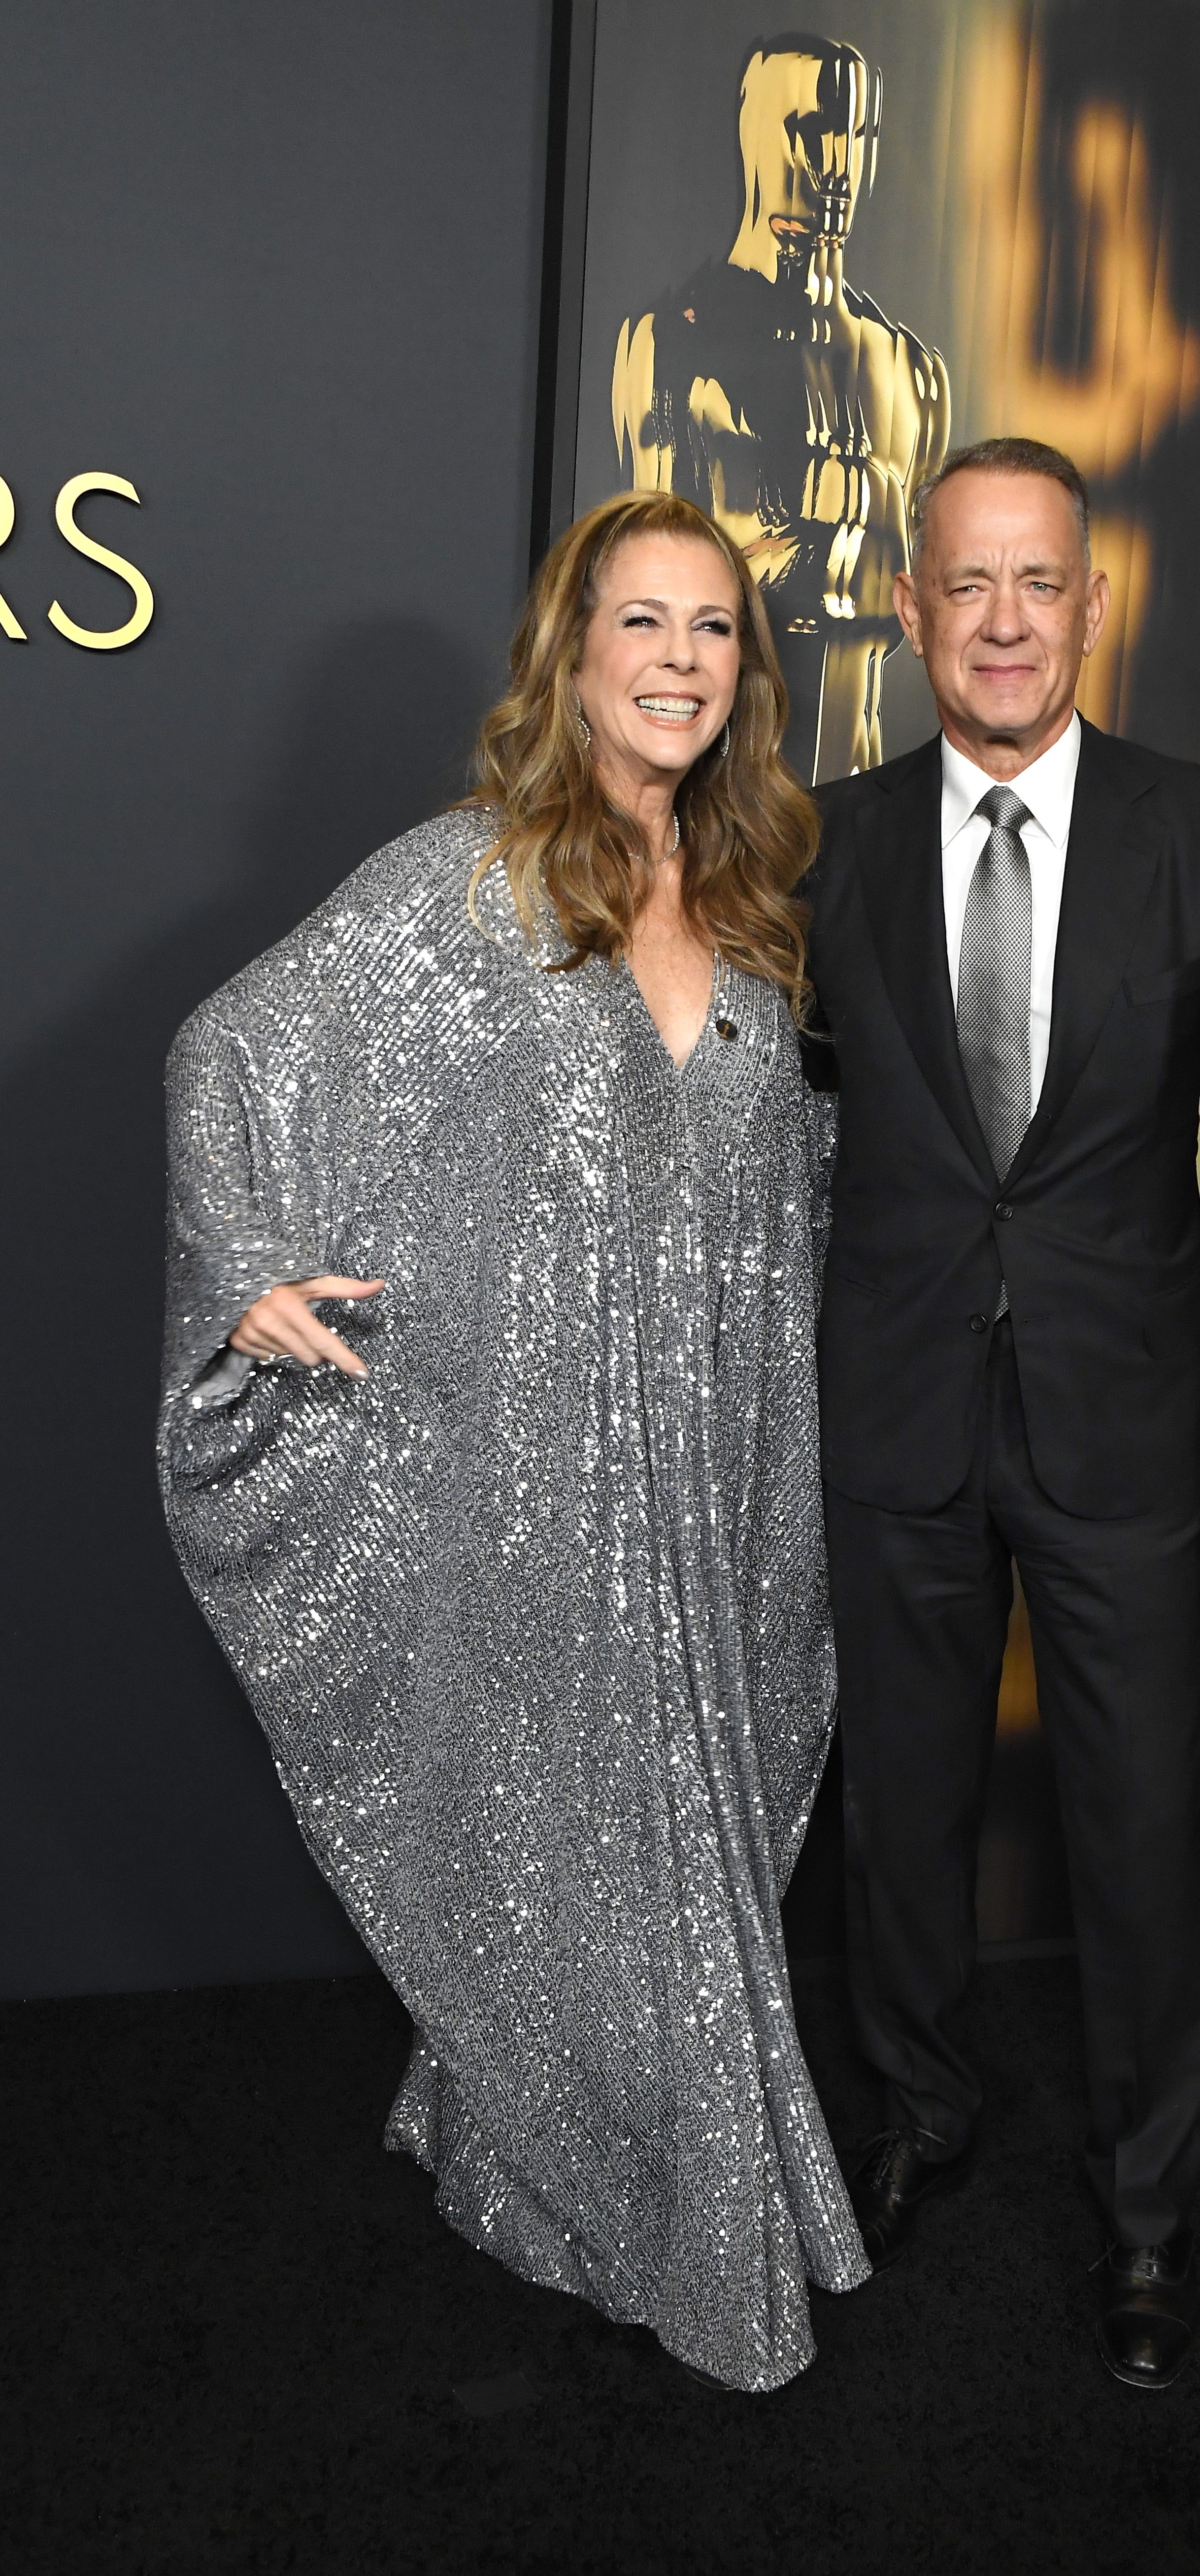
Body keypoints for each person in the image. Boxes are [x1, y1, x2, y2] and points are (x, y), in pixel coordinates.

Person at [158, 490, 867, 2394]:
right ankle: (617, 2197)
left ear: (747, 670)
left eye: (711, 629)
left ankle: (536, 2153)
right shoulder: (472, 883)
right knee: (561, 1837)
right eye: (638, 623)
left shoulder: (758, 903)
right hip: (538, 1477)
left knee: (694, 1831)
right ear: (570, 654)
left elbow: (788, 1190)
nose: (675, 662)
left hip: (722, 1469)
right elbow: (235, 1048)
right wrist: (246, 1274)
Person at [802, 437, 1200, 2390]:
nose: (1003, 620)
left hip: (1128, 1422)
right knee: (900, 1820)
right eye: (966, 585)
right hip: (898, 1415)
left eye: (1039, 584)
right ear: (912, 608)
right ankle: (923, 2116)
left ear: (1090, 607)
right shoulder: (824, 841)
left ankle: (1143, 2213)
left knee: (1131, 1830)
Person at [614, 31, 947, 783]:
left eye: (856, 137)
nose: (837, 167)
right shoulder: (669, 344)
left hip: (865, 800)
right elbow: (651, 592)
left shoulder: (912, 369)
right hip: (719, 798)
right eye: (811, 131)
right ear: (754, 134)